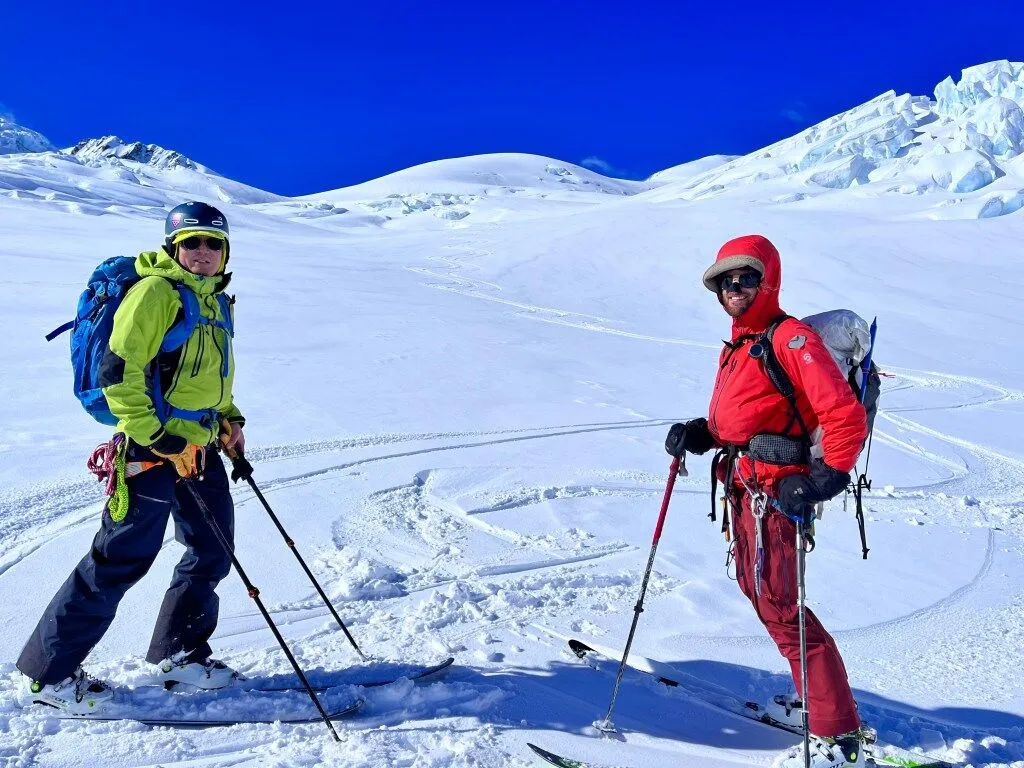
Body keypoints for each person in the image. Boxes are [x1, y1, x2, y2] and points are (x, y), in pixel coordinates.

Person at [17, 202, 246, 714]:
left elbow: (214, 377)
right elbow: (118, 373)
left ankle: (180, 655)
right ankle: (49, 677)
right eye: (191, 242)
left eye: (213, 243)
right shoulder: (155, 293)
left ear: (225, 251)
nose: (203, 252)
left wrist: (231, 420)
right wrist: (157, 438)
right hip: (152, 448)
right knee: (120, 559)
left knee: (212, 549)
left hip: (200, 446)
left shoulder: (216, 302)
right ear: (173, 248)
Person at [665, 235, 870, 768]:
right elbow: (746, 417)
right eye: (725, 281)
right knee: (759, 591)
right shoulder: (741, 345)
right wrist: (703, 433)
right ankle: (814, 701)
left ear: (769, 281)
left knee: (779, 603)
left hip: (776, 495)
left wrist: (826, 477)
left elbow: (843, 414)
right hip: (744, 485)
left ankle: (836, 728)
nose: (734, 288)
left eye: (747, 277)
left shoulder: (791, 339)